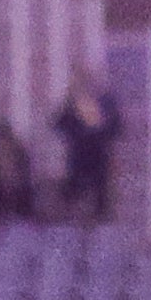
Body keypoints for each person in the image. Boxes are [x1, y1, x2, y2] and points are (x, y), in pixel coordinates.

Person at [50, 66, 121, 223]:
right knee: (73, 193)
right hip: (78, 157)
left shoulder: (105, 102)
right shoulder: (71, 105)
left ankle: (98, 219)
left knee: (99, 198)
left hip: (99, 157)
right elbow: (57, 125)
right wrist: (69, 104)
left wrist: (100, 127)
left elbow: (117, 128)